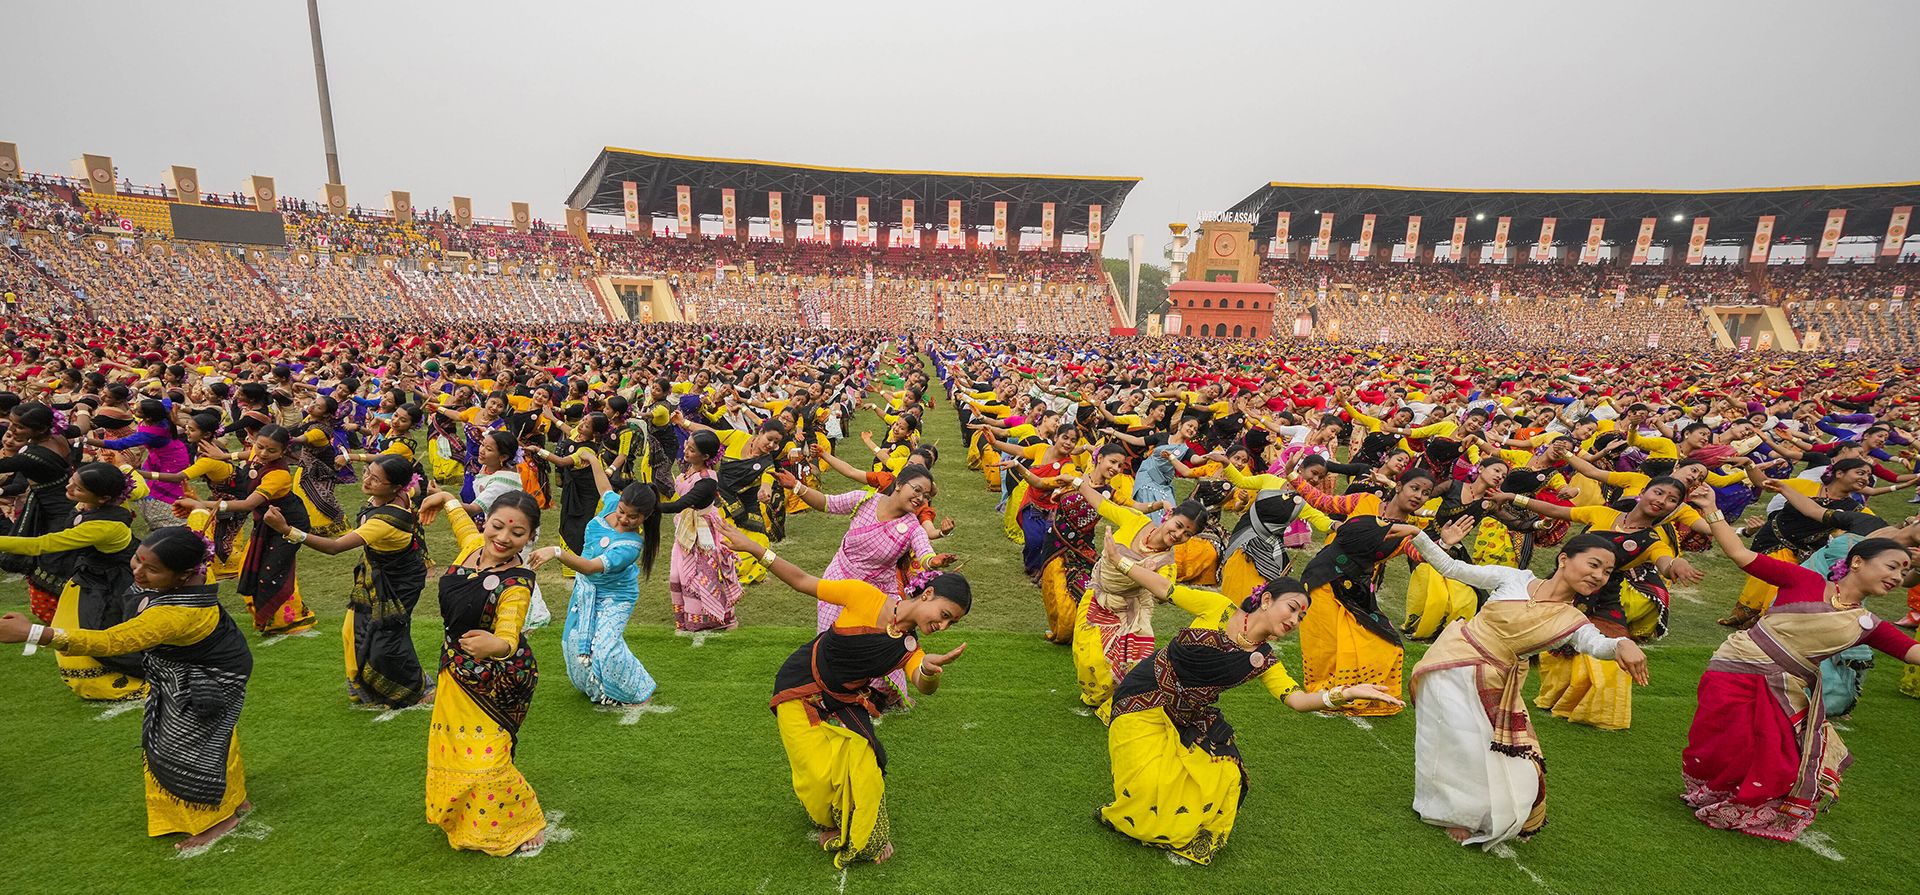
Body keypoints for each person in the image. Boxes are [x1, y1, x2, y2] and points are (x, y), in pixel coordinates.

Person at [1098, 555, 1400, 863]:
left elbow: (1296, 700)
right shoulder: (1218, 608)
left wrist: (1346, 694)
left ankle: (1184, 829)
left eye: (1301, 617)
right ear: (1267, 600)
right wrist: (1120, 561)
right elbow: (1166, 588)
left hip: (1187, 714)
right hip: (1142, 697)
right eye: (1292, 608)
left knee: (1226, 773)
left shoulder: (1264, 660)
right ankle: (1129, 817)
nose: (1295, 620)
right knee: (1145, 783)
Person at [1680, 486, 1920, 842]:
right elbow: (1740, 554)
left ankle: (1744, 805)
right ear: (1857, 561)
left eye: (1905, 571)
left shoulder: (1868, 624)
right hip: (1733, 667)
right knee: (1720, 742)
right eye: (1892, 566)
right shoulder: (1804, 579)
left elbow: (1914, 653)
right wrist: (1712, 509)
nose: (1898, 577)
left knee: (1776, 755)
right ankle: (1714, 791)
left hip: (1782, 689)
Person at [722, 525, 969, 868]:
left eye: (951, 624)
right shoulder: (864, 596)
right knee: (815, 775)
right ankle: (830, 819)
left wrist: (928, 670)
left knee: (867, 762)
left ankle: (863, 831)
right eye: (944, 615)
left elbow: (923, 685)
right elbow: (802, 581)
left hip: (844, 700)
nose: (943, 626)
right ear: (927, 594)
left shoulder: (910, 647)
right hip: (800, 684)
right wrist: (753, 547)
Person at [0, 527, 254, 849]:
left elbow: (112, 642)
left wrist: (33, 633)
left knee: (182, 747)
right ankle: (234, 798)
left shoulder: (173, 615)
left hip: (204, 678)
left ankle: (217, 819)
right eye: (137, 559)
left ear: (183, 574)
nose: (137, 571)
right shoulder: (193, 574)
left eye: (152, 569)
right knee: (215, 734)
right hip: (201, 666)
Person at [1404, 518, 1648, 848]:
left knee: (1518, 760)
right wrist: (1417, 535)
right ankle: (1454, 813)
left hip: (1497, 680)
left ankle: (1482, 809)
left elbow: (1597, 644)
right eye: (1594, 565)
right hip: (1452, 661)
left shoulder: (1573, 619)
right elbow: (1452, 568)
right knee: (1454, 742)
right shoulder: (1514, 578)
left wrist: (1622, 644)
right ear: (1564, 558)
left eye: (1607, 572)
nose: (1599, 576)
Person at [414, 488, 546, 856]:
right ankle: (464, 815)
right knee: (454, 749)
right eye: (497, 526)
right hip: (454, 669)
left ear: (529, 537)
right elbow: (458, 517)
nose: (503, 538)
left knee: (488, 758)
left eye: (517, 533)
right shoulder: (472, 547)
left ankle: (524, 820)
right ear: (485, 523)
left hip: (498, 677)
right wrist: (443, 497)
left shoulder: (518, 582)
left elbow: (509, 632)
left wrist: (497, 645)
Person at [264, 454, 430, 708]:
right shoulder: (394, 494)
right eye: (367, 473)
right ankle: (360, 685)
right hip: (375, 573)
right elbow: (415, 486)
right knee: (352, 630)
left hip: (397, 582)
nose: (367, 480)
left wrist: (287, 530)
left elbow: (334, 547)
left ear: (395, 487)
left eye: (376, 479)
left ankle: (415, 688)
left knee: (386, 637)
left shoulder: (385, 521)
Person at [1292, 467, 1438, 715]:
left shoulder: (1407, 533)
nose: (1419, 496)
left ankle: (1357, 690)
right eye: (1414, 488)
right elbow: (1324, 502)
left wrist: (1443, 543)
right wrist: (1293, 476)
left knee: (1386, 643)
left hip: (1356, 589)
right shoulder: (1365, 500)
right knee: (1327, 642)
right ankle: (1325, 694)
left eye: (1425, 494)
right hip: (1324, 576)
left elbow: (1419, 554)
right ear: (1399, 486)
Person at [0, 461, 146, 700]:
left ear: (103, 498)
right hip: (90, 577)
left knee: (100, 633)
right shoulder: (96, 499)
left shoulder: (105, 526)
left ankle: (145, 675)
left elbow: (41, 545)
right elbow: (131, 475)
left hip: (112, 583)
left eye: (78, 488)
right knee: (73, 628)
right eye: (72, 480)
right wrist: (123, 465)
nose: (69, 487)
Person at [531, 449, 662, 707]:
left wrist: (556, 552)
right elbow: (604, 487)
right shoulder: (612, 504)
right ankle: (594, 686)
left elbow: (591, 567)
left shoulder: (630, 545)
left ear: (645, 517)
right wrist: (592, 459)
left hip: (615, 597)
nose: (624, 519)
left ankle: (638, 689)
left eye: (633, 517)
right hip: (587, 590)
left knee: (605, 648)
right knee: (574, 641)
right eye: (622, 511)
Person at [1069, 477, 1202, 713]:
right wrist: (1077, 482)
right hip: (1097, 597)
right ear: (1169, 515)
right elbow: (1103, 505)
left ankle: (1119, 702)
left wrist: (1128, 565)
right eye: (1179, 525)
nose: (1178, 534)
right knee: (1087, 657)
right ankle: (1097, 696)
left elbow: (1163, 592)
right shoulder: (1136, 520)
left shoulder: (1167, 563)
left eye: (1187, 534)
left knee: (1128, 664)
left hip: (1128, 611)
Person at [176, 425, 316, 637]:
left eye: (271, 450)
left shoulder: (279, 474)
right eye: (260, 446)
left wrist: (202, 504)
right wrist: (225, 456)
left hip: (287, 523)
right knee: (253, 569)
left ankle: (291, 621)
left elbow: (248, 504)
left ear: (283, 452)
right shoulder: (257, 455)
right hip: (267, 521)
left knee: (272, 572)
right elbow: (248, 454)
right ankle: (269, 619)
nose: (263, 453)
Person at [0, 402, 78, 622]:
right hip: (62, 504)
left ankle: (62, 615)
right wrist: (82, 407)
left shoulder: (33, 456)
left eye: (19, 427)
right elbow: (80, 426)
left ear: (40, 429)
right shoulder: (58, 436)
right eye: (12, 423)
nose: (12, 429)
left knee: (51, 562)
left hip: (57, 514)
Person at [662, 429, 739, 632]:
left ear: (705, 456)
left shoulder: (707, 481)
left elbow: (681, 504)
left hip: (702, 531)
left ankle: (717, 619)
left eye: (692, 449)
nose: (686, 450)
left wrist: (649, 507)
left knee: (701, 574)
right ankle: (690, 619)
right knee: (679, 573)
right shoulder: (690, 470)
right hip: (687, 527)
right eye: (687, 445)